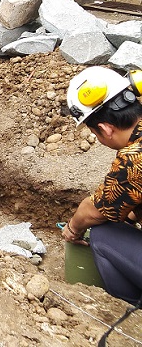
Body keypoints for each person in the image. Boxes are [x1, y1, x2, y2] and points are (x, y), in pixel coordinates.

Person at [63, 66, 142, 305]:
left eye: (96, 134)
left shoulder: (134, 159)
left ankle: (129, 307)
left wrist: (73, 229)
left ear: (106, 129)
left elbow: (91, 211)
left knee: (102, 234)